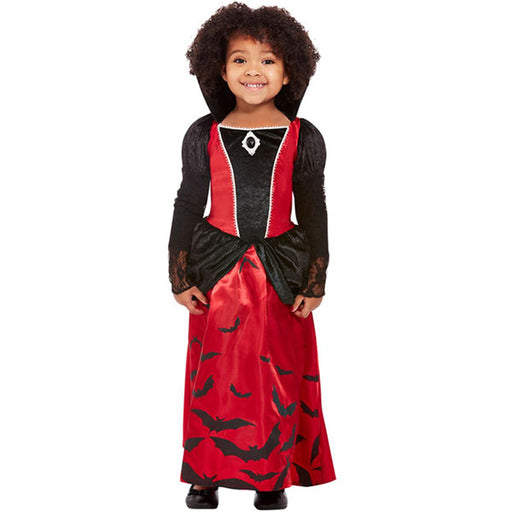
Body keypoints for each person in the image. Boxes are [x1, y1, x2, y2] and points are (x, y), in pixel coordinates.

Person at [168, 3, 336, 509]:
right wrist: (178, 274)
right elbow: (187, 202)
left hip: (279, 274)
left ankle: (271, 473)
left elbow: (313, 208)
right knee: (214, 375)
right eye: (240, 59)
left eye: (268, 60)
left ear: (288, 72)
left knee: (274, 375)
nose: (253, 71)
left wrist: (316, 279)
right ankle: (206, 474)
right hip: (217, 272)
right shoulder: (205, 133)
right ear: (220, 70)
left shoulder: (303, 136)